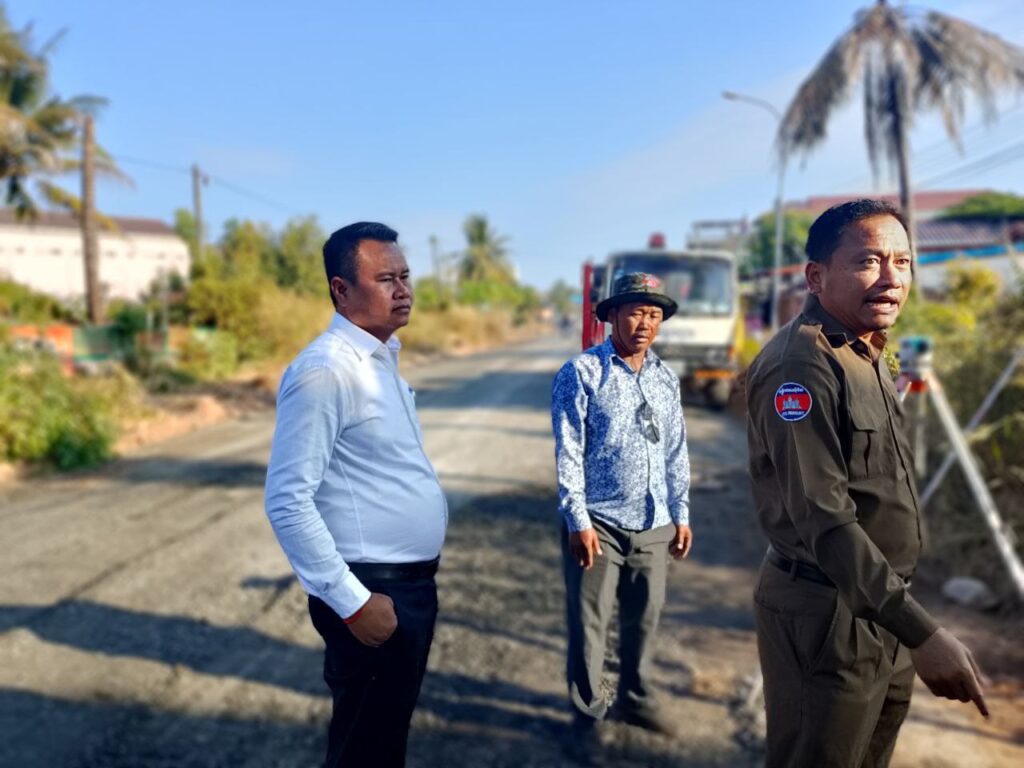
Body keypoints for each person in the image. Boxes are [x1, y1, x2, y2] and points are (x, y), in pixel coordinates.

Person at [745, 199, 989, 768]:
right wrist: (922, 632)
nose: (891, 278)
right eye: (868, 261)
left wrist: (903, 622)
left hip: (878, 605)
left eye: (902, 262)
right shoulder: (801, 366)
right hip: (828, 614)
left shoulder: (868, 349)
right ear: (816, 276)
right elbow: (824, 516)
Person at [264, 222, 447, 767]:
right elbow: (287, 500)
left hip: (406, 587)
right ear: (341, 290)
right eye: (386, 279)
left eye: (405, 276)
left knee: (382, 745)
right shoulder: (326, 370)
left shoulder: (382, 360)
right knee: (364, 753)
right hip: (371, 590)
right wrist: (354, 602)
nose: (403, 290)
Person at [551, 272, 693, 764]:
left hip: (654, 523)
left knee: (643, 620)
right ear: (612, 315)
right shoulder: (582, 373)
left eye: (653, 314)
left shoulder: (665, 378)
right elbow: (568, 452)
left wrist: (681, 512)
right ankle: (586, 717)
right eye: (635, 312)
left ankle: (635, 699)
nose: (645, 323)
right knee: (590, 624)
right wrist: (578, 520)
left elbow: (675, 451)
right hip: (599, 525)